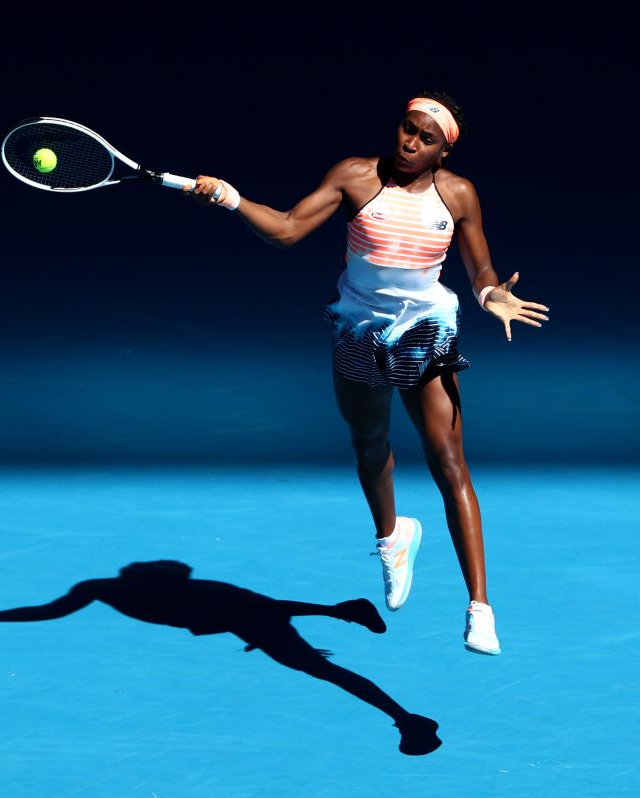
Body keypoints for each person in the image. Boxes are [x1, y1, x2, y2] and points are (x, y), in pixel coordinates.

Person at [186, 92, 548, 655]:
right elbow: (286, 230)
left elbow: (481, 269)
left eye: (426, 139)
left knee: (449, 461)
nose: (410, 143)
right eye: (407, 129)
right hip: (359, 330)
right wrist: (232, 199)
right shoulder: (355, 177)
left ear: (443, 153)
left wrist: (490, 295)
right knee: (369, 444)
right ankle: (392, 537)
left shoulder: (458, 195)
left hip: (425, 330)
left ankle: (480, 608)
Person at [0, 560, 442, 755]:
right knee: (311, 661)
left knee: (318, 668)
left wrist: (326, 613)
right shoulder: (104, 588)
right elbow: (45, 614)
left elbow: (254, 610)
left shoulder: (157, 590)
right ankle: (344, 620)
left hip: (239, 615)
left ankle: (405, 715)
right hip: (236, 617)